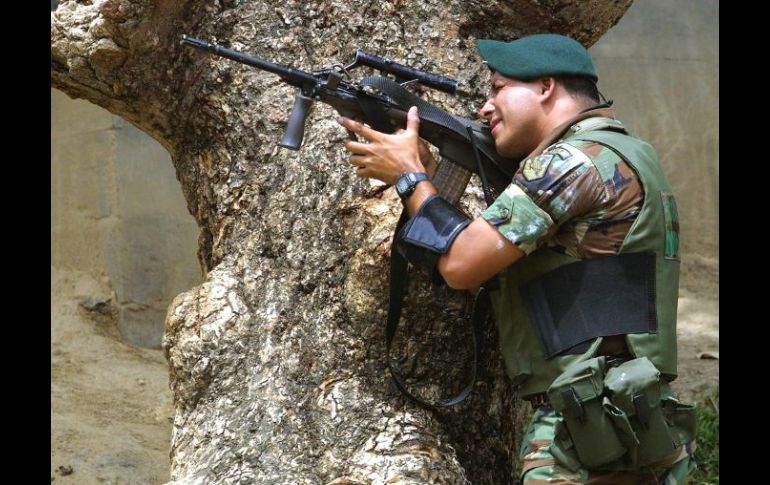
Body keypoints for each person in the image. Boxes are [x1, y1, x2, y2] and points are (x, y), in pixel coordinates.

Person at [336, 33, 696, 484]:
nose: (485, 107)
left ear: (545, 87)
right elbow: (476, 265)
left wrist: (409, 177)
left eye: (498, 88)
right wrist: (426, 179)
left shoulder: (570, 162)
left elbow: (461, 265)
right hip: (626, 414)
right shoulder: (622, 152)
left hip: (589, 427)